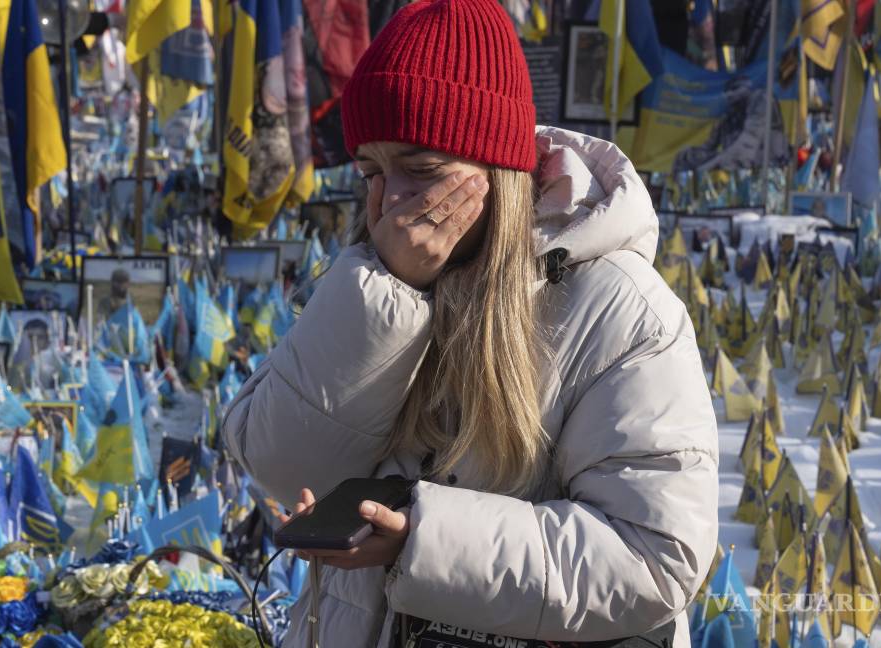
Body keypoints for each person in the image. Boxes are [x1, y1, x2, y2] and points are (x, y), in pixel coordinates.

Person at [222, 1, 719, 646]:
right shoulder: (364, 281)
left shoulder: (622, 312)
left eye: (424, 172)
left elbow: (653, 558)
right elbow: (281, 465)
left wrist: (426, 542)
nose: (390, 203)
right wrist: (386, 297)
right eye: (371, 171)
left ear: (500, 173)